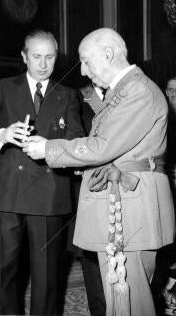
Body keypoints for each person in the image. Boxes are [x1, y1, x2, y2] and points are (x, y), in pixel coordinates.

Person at [23, 28, 176, 316]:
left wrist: (50, 149)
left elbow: (103, 146)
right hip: (124, 205)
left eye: (86, 61)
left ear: (107, 54)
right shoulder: (123, 90)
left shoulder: (137, 90)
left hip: (130, 210)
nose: (82, 70)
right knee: (122, 297)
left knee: (130, 301)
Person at [0, 30, 84, 315]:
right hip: (5, 196)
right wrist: (3, 133)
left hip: (48, 197)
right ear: (24, 56)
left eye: (50, 57)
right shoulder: (5, 87)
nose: (43, 64)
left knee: (47, 278)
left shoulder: (68, 95)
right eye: (36, 56)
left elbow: (77, 136)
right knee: (5, 273)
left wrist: (50, 147)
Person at [69, 83, 106, 316]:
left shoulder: (128, 93)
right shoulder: (77, 97)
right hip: (89, 186)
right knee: (92, 258)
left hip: (124, 187)